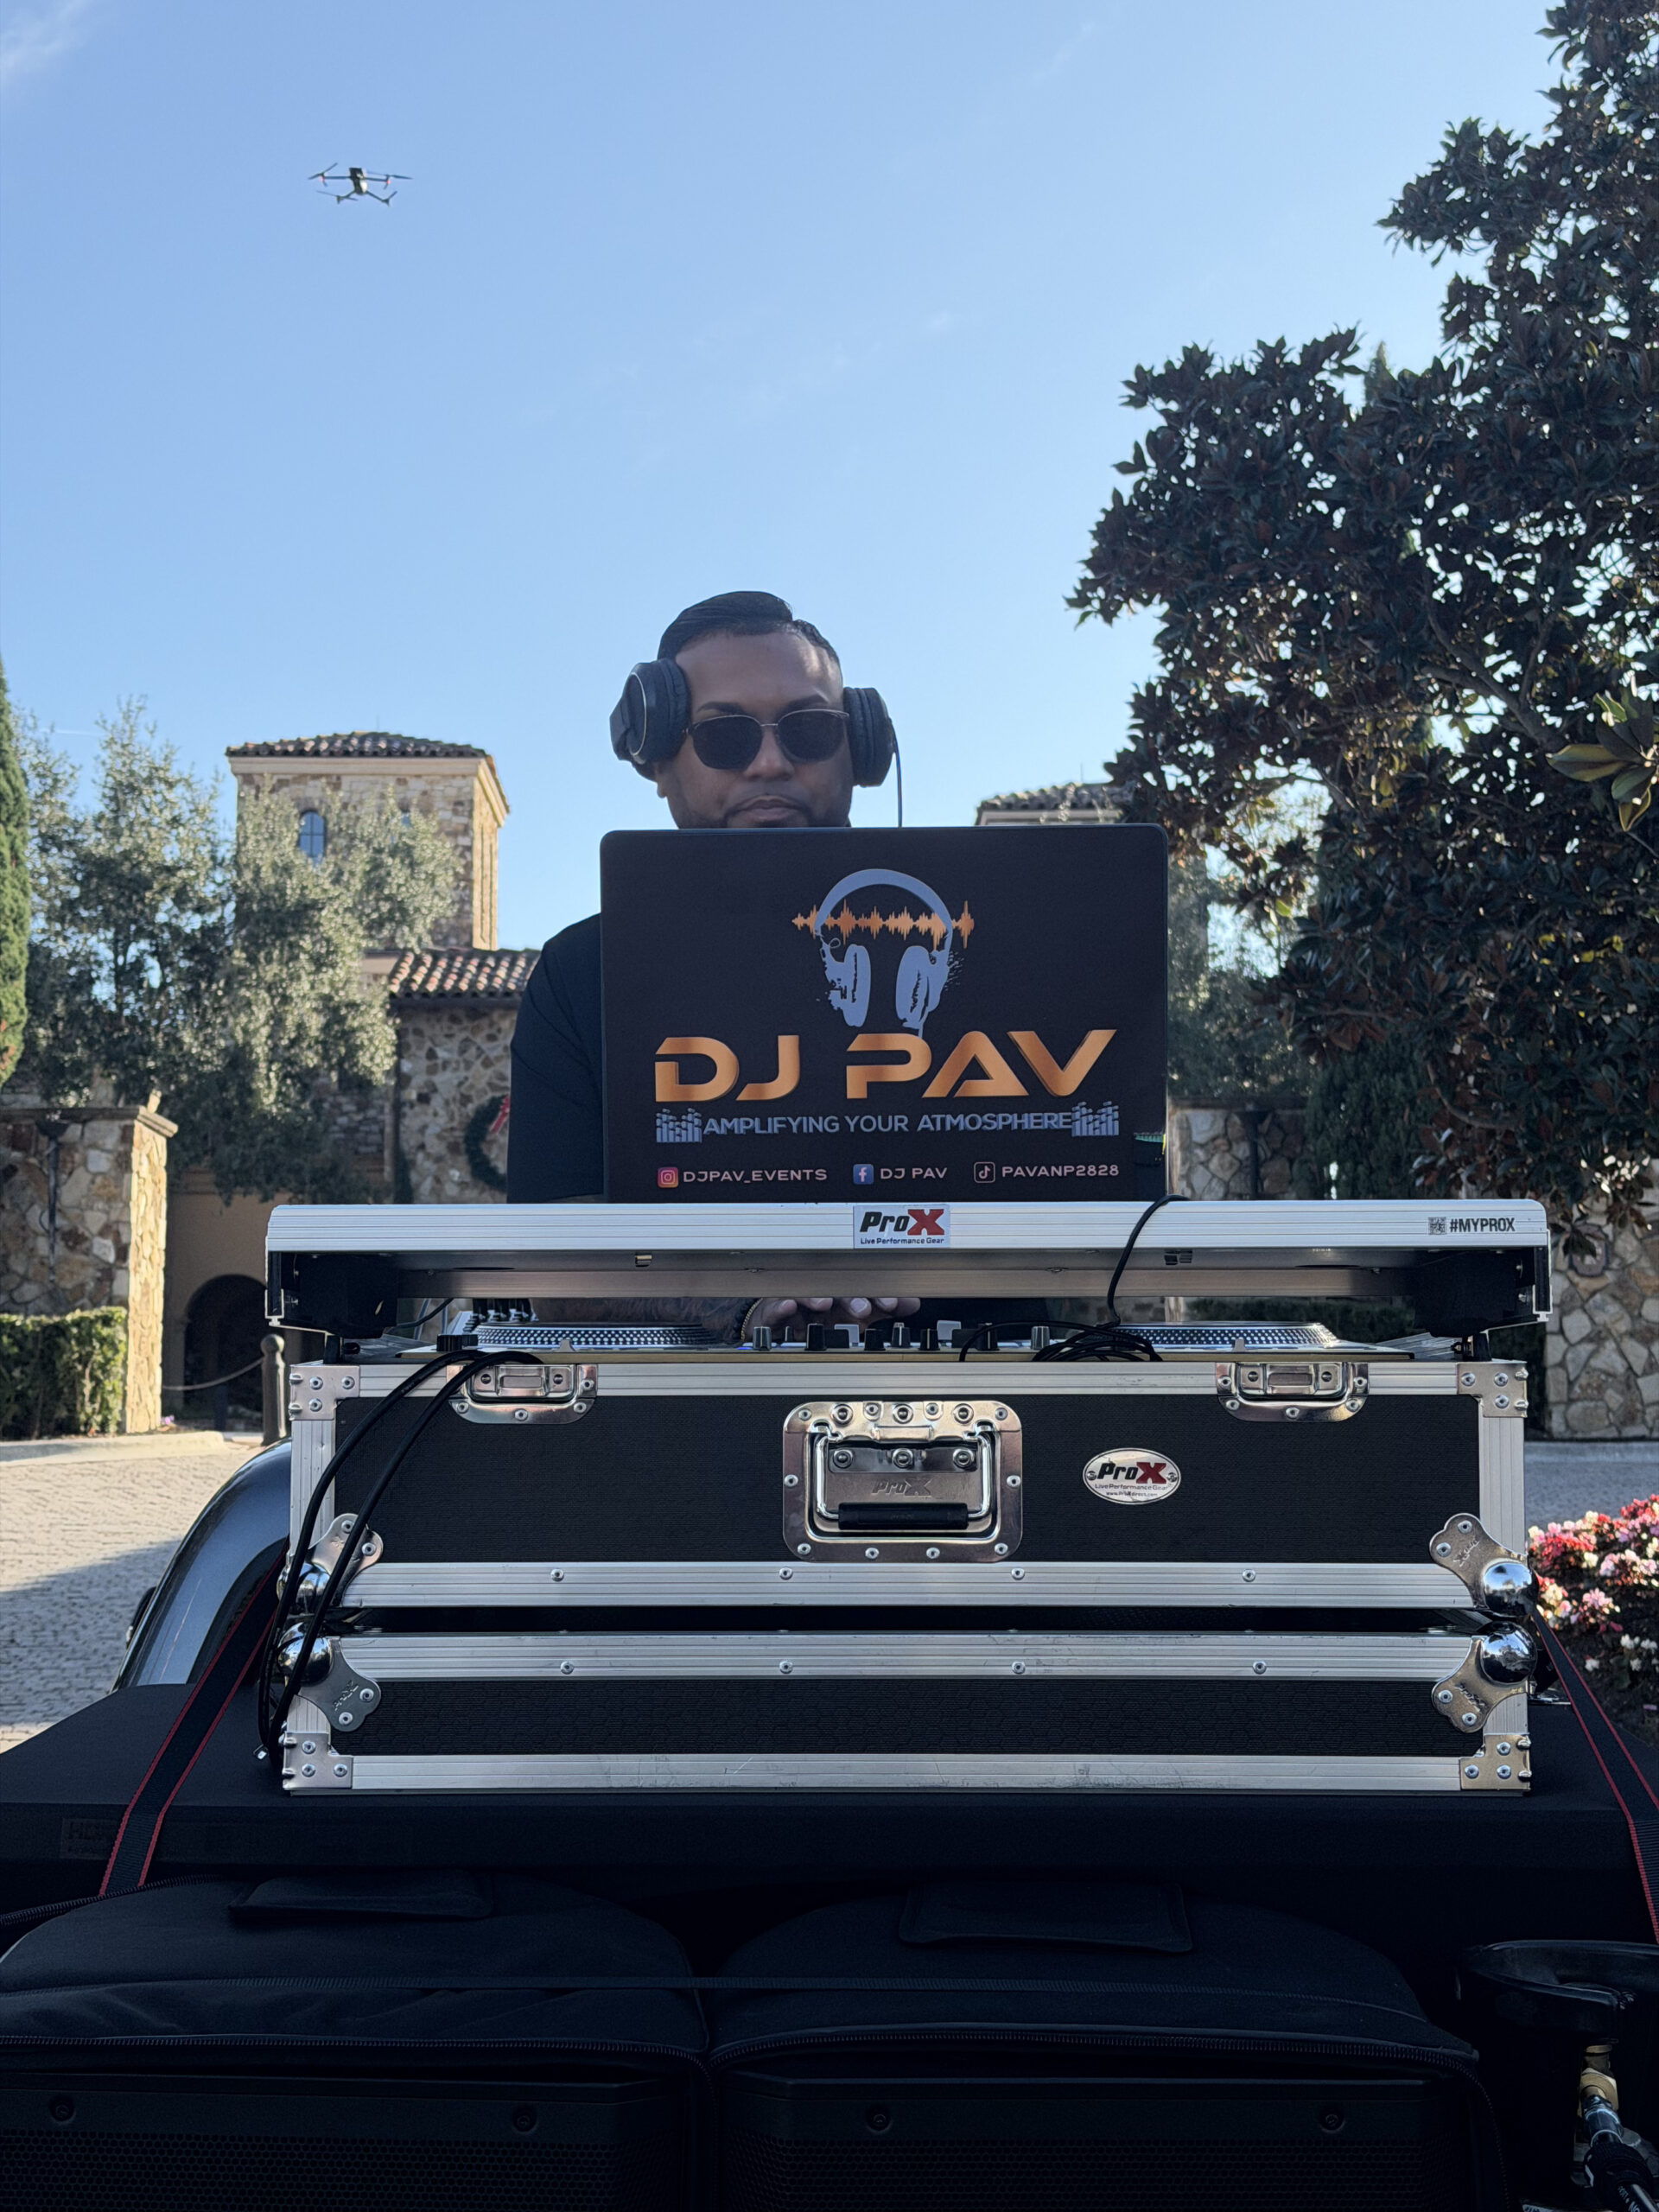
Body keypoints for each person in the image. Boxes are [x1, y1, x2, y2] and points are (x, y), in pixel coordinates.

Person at [507, 589, 919, 1342]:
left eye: (809, 730)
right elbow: (554, 1263)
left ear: (860, 749)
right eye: (725, 736)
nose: (771, 762)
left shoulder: (975, 941)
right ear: (657, 761)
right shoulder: (579, 975)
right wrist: (751, 1308)